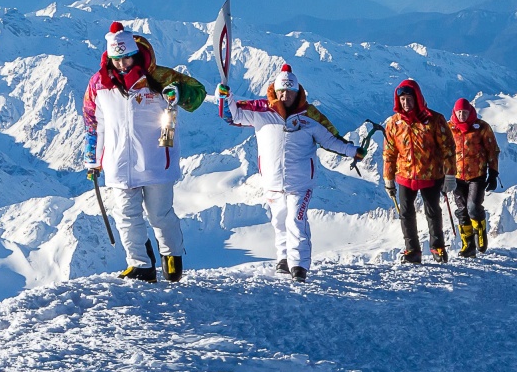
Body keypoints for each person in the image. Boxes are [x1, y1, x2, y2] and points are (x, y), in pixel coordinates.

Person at [216, 64, 365, 282]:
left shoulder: (310, 116)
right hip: (272, 180)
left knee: (296, 220)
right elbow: (232, 115)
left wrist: (353, 151)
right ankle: (284, 259)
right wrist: (224, 96)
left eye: (290, 91)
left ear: (297, 92)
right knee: (279, 220)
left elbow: (331, 139)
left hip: (301, 181)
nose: (285, 96)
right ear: (275, 91)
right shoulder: (261, 111)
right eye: (281, 91)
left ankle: (299, 266)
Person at [83, 22, 206, 282]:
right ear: (109, 58)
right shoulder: (98, 85)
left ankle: (171, 257)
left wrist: (179, 92)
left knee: (160, 215)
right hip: (118, 162)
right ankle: (140, 264)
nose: (122, 64)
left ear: (135, 54)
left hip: (156, 160)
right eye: (117, 59)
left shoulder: (158, 77)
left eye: (126, 58)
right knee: (126, 216)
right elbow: (93, 123)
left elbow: (196, 94)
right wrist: (93, 160)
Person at [383, 79, 456, 264]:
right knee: (406, 213)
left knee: (432, 211)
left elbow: (448, 148)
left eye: (409, 98)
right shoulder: (394, 123)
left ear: (417, 98)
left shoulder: (434, 119)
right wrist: (388, 178)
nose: (406, 103)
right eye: (402, 99)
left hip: (431, 174)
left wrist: (450, 175)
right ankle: (412, 250)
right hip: (404, 175)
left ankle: (437, 247)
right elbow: (389, 152)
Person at [447, 97, 500, 257]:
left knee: (473, 207)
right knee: (462, 210)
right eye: (459, 112)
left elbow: (492, 150)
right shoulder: (449, 128)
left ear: (470, 111)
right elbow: (443, 152)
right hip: (456, 176)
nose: (462, 115)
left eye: (464, 112)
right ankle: (468, 246)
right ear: (455, 112)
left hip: (477, 175)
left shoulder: (481, 127)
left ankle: (480, 231)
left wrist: (493, 173)